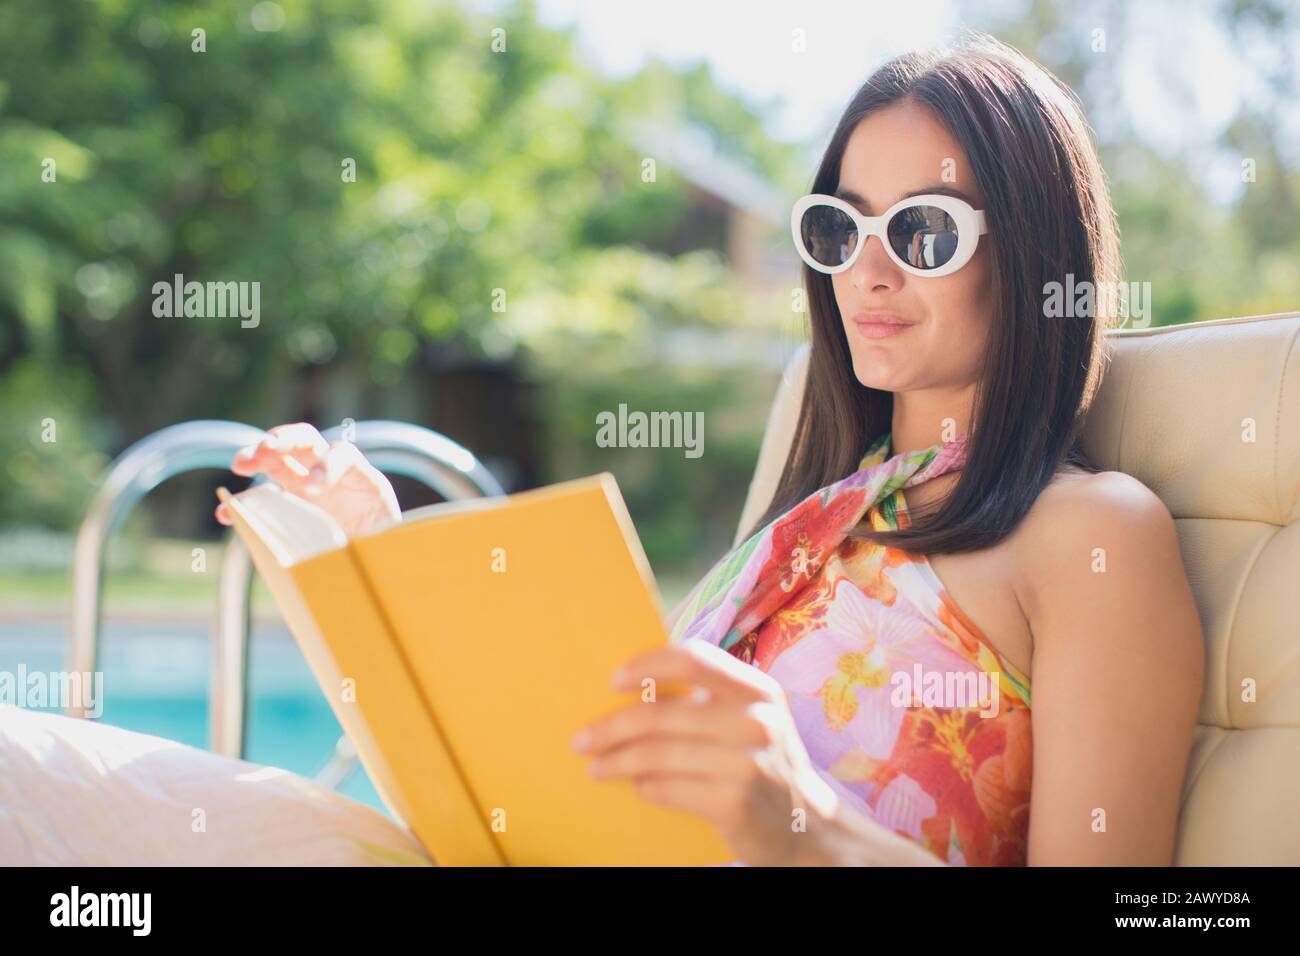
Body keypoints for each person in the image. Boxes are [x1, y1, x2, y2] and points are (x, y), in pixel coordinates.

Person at [218, 34, 1204, 867]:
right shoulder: (828, 515)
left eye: (922, 231)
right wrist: (380, 551)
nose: (866, 271)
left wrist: (804, 825)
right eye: (839, 227)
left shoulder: (1088, 535)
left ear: (1034, 255)